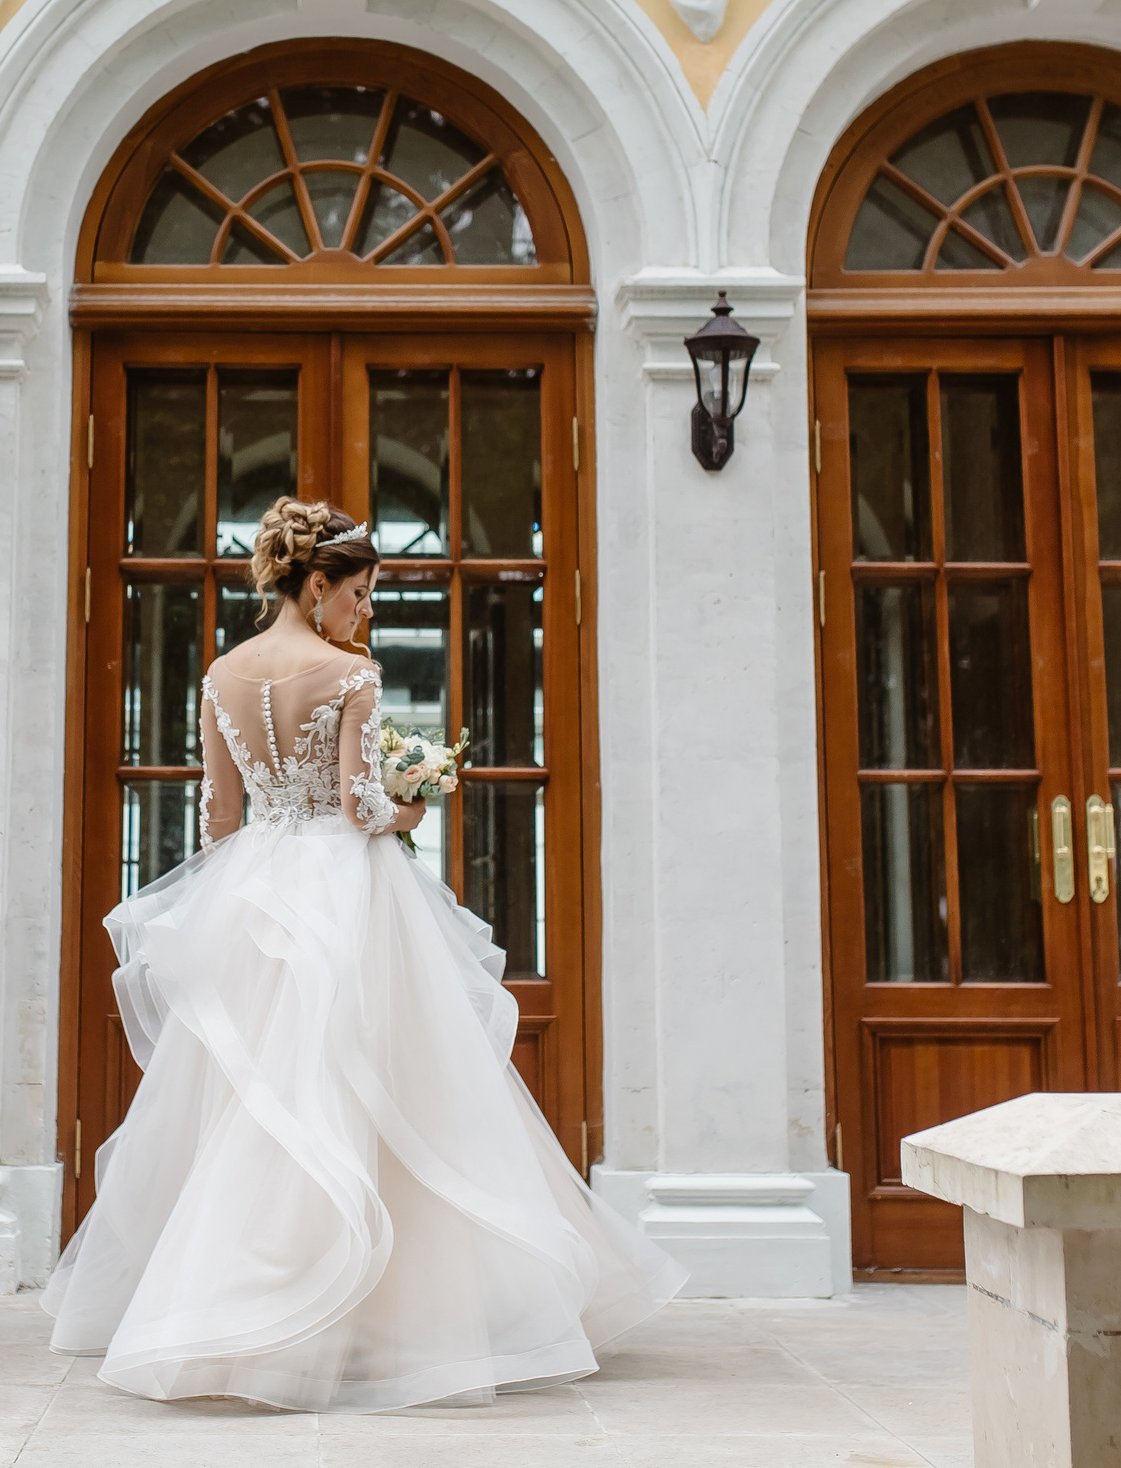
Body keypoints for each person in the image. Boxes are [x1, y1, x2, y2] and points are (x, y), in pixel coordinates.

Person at [44, 497, 685, 1412]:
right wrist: (415, 801)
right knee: (377, 1084)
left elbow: (218, 820)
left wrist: (249, 883)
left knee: (259, 1093)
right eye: (361, 592)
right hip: (343, 890)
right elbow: (358, 809)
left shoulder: (220, 675)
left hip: (254, 889)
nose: (367, 611)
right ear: (318, 584)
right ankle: (376, 1316)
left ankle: (242, 1301)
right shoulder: (350, 676)